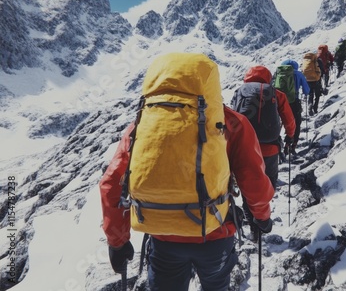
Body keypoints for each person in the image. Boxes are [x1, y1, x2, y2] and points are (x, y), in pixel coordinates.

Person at [100, 53, 275, 291]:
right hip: (215, 234)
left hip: (163, 237)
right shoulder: (231, 122)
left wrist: (117, 242)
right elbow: (253, 178)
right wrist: (261, 217)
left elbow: (112, 183)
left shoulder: (142, 125)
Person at [231, 65, 295, 240]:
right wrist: (290, 137)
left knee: (246, 186)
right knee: (269, 181)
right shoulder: (275, 93)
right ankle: (262, 213)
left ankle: (254, 225)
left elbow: (231, 118)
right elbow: (289, 118)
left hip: (244, 149)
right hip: (269, 149)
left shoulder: (239, 92)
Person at [280, 59, 310, 155]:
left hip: (279, 103)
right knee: (296, 123)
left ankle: (280, 147)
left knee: (280, 123)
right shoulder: (298, 74)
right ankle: (292, 145)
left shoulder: (279, 73)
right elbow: (306, 90)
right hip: (294, 103)